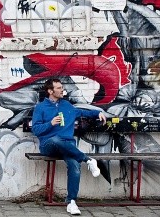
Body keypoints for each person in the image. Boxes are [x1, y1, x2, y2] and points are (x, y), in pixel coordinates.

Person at [32, 78, 107, 215]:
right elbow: (36, 130)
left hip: (68, 145)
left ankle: (71, 202)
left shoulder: (66, 105)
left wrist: (97, 113)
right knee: (56, 139)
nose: (62, 90)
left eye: (62, 87)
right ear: (50, 91)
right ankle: (88, 160)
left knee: (75, 166)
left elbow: (82, 112)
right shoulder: (40, 108)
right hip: (49, 145)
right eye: (59, 88)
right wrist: (50, 124)